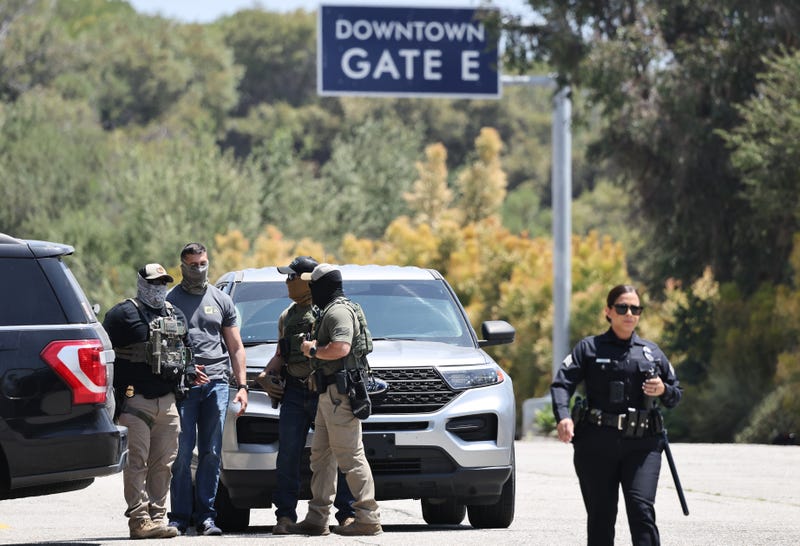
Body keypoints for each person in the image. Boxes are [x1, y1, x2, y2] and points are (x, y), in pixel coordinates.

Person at [550, 284, 682, 546]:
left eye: (636, 308)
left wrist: (663, 389)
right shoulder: (589, 348)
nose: (629, 313)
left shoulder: (651, 352)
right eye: (622, 307)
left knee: (641, 510)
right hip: (597, 444)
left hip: (642, 446)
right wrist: (563, 416)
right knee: (601, 516)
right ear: (608, 311)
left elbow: (676, 394)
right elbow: (562, 384)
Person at [255, 257, 355, 535]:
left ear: (308, 280)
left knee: (337, 452)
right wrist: (265, 376)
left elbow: (339, 347)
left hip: (323, 391)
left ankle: (346, 514)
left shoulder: (328, 311)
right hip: (294, 393)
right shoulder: (287, 315)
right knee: (287, 455)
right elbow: (281, 353)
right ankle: (285, 516)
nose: (288, 282)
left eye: (292, 277)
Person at [287, 263, 382, 537]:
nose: (309, 292)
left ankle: (367, 517)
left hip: (340, 395)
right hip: (328, 395)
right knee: (321, 457)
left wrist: (312, 349)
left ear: (323, 286)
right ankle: (317, 518)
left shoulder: (338, 311)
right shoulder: (330, 309)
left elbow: (341, 348)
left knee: (351, 457)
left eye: (313, 287)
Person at [103, 263, 195, 540]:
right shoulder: (122, 315)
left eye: (163, 283)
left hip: (167, 401)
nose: (158, 289)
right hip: (135, 401)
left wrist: (188, 374)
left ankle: (157, 516)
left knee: (165, 463)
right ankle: (139, 519)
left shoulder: (175, 314)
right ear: (141, 283)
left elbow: (187, 350)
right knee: (137, 462)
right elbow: (103, 353)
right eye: (153, 283)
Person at [167, 243, 248, 536]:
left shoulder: (221, 300)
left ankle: (207, 517)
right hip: (185, 388)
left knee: (212, 452)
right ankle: (178, 516)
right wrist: (186, 369)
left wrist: (242, 386)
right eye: (192, 265)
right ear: (182, 266)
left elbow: (235, 346)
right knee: (182, 452)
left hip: (217, 385)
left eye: (202, 263)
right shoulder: (170, 301)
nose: (198, 270)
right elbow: (166, 350)